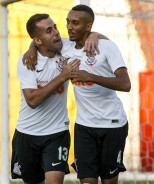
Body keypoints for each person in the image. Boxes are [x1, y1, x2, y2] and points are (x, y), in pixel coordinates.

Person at [23, 5, 131, 184]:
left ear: (88, 27)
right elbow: (42, 39)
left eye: (75, 23)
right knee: (87, 181)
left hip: (112, 124)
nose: (69, 27)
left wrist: (89, 76)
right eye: (67, 22)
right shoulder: (65, 46)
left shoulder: (107, 47)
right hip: (84, 126)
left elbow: (125, 84)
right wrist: (32, 47)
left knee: (109, 181)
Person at [11, 13, 104, 184]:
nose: (56, 32)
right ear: (38, 40)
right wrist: (62, 76)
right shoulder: (27, 61)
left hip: (57, 132)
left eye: (55, 27)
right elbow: (32, 101)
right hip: (27, 133)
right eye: (48, 30)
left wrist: (94, 35)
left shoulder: (66, 47)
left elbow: (101, 41)